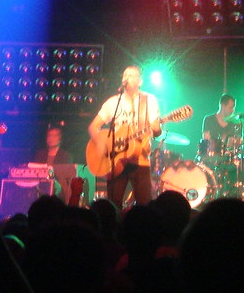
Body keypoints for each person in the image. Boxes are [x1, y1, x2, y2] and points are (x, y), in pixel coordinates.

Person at [88, 66, 162, 209]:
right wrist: (102, 145)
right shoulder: (113, 103)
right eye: (125, 75)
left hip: (141, 159)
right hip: (116, 160)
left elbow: (156, 131)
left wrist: (157, 128)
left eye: (132, 75)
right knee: (113, 205)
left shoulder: (149, 100)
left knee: (145, 205)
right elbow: (93, 127)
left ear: (140, 81)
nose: (128, 77)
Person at [33, 124, 77, 202]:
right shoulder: (40, 154)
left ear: (60, 139)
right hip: (40, 191)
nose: (51, 138)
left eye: (54, 136)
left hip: (59, 192)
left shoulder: (65, 155)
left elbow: (66, 177)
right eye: (49, 136)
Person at [200, 93, 242, 161]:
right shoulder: (209, 119)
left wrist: (237, 142)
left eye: (234, 108)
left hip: (229, 157)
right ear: (222, 105)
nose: (233, 110)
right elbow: (206, 139)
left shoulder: (236, 123)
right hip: (212, 156)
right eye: (231, 107)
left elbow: (238, 142)